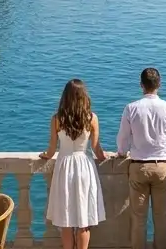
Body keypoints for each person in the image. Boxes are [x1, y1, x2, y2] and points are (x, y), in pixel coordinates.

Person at [117, 67, 166, 249]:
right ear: (159, 84)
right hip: (162, 167)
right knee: (162, 217)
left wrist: (123, 154)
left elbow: (122, 144)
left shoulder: (131, 108)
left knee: (138, 219)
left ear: (141, 85)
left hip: (138, 167)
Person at [40, 80, 108, 249]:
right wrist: (104, 156)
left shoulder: (57, 119)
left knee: (66, 219)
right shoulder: (91, 118)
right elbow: (96, 148)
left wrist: (45, 155)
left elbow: (51, 148)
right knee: (84, 219)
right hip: (84, 167)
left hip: (64, 167)